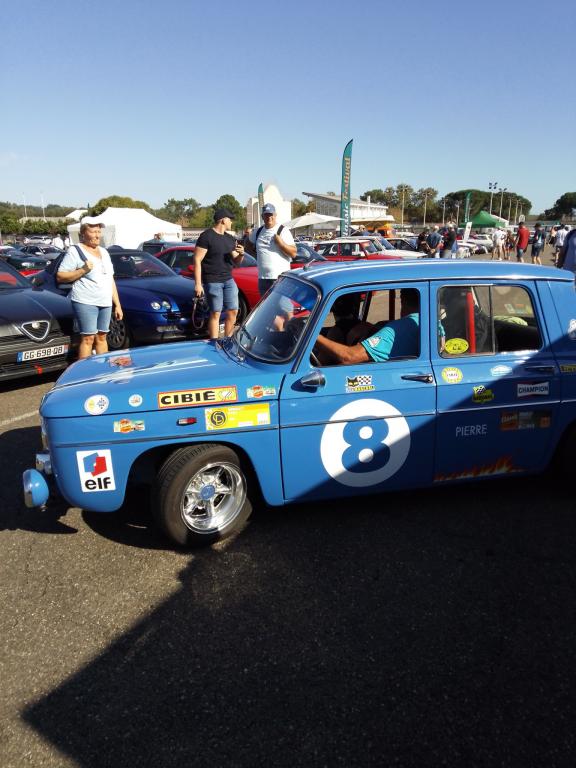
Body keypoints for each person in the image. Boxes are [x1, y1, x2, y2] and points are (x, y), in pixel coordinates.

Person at [56, 218, 123, 360]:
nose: (97, 235)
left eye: (99, 231)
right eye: (93, 231)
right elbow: (60, 276)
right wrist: (83, 270)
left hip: (105, 302)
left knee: (102, 337)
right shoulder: (75, 251)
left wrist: (117, 305)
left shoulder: (104, 252)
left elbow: (110, 279)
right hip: (85, 301)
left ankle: (103, 373)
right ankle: (84, 376)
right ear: (83, 233)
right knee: (88, 339)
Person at [313, 288, 420, 365]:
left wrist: (313, 336)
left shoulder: (395, 330)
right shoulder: (428, 322)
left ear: (402, 299)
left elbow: (349, 357)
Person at [193, 208, 244, 339]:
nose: (231, 222)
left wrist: (241, 254)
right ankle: (214, 343)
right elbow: (197, 260)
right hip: (212, 280)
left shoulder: (230, 239)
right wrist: (198, 284)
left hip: (228, 279)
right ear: (222, 220)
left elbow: (237, 261)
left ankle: (228, 340)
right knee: (216, 313)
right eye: (230, 219)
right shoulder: (206, 236)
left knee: (233, 311)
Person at [249, 203, 296, 297]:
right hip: (263, 278)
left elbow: (294, 253)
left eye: (271, 214)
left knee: (285, 308)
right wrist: (255, 253)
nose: (269, 217)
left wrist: (281, 243)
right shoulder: (258, 231)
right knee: (267, 310)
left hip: (280, 278)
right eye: (266, 215)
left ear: (275, 215)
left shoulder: (283, 230)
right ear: (262, 216)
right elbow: (248, 242)